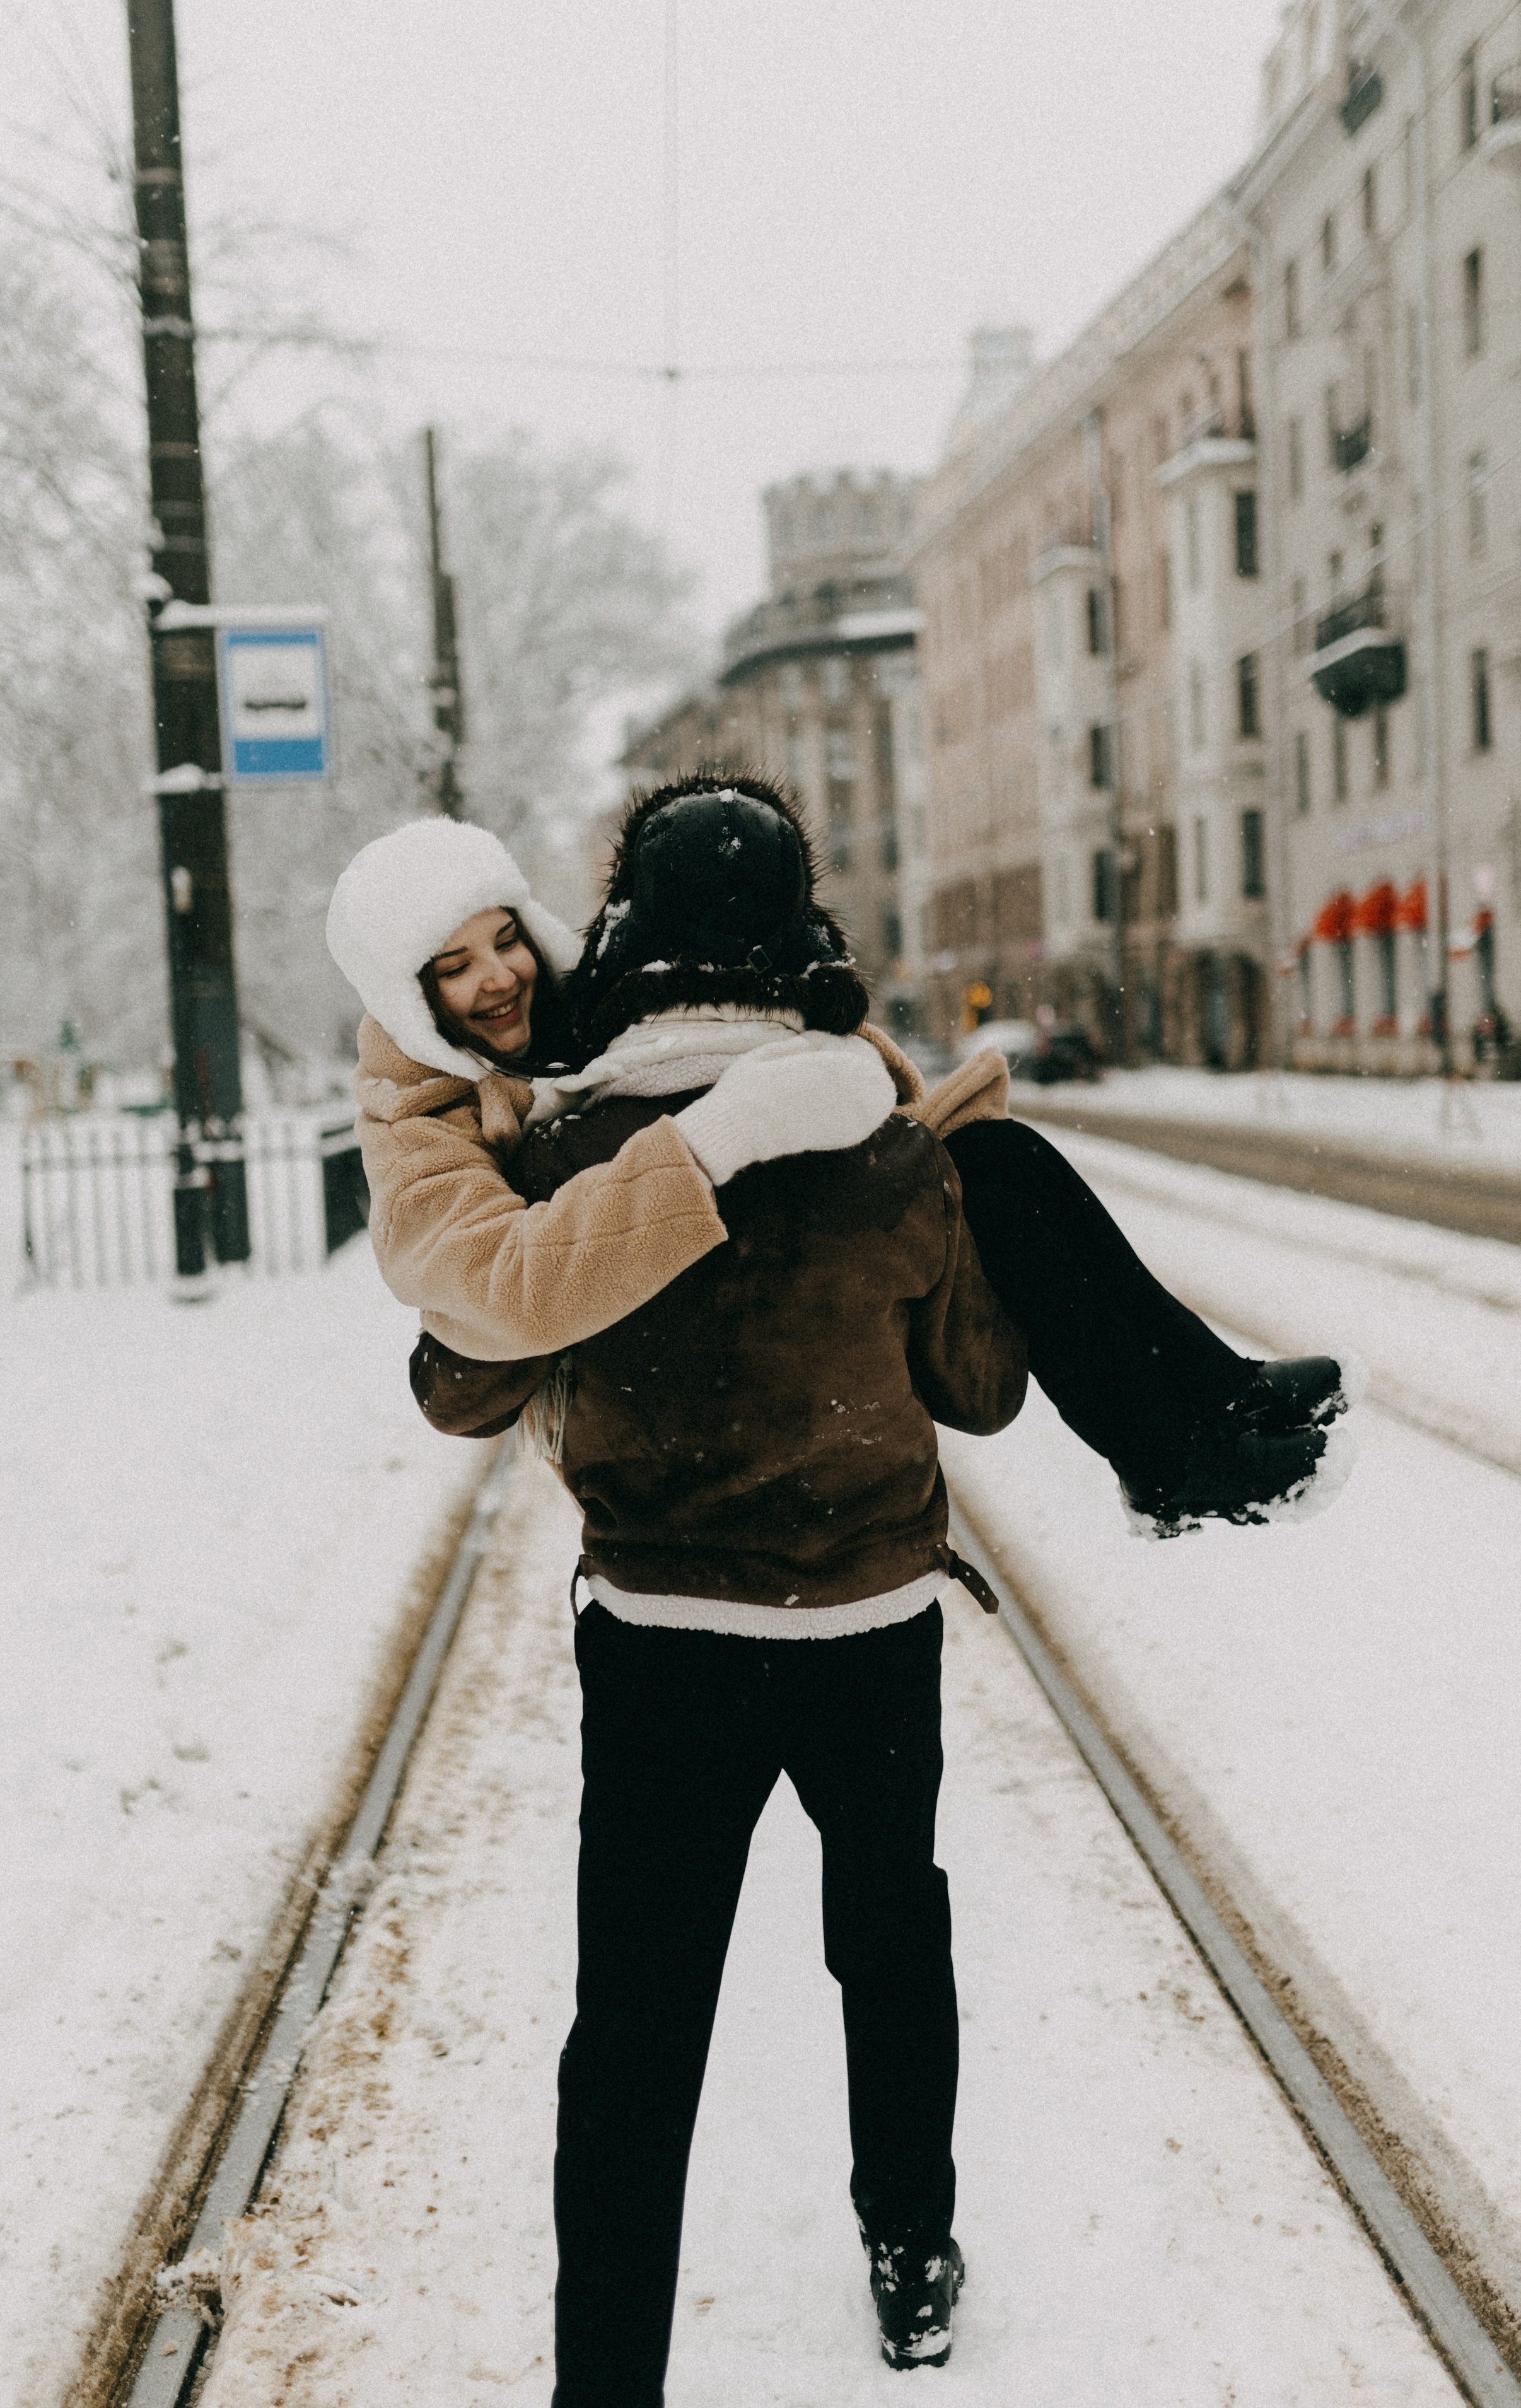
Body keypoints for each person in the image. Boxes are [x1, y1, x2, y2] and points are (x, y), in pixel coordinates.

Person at [399, 784, 1029, 2396]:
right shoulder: (885, 1152)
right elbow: (977, 1390)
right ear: (797, 937)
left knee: (634, 2023)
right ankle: (910, 2247)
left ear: (623, 939)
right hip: (869, 1634)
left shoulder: (572, 1152)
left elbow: (459, 1386)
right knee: (889, 1941)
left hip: (664, 1648)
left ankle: (604, 2374)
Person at [327, 791, 1351, 1538]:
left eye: (505, 940)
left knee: (1004, 1163)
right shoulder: (411, 1102)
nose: (500, 979)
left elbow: (755, 1023)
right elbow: (501, 1285)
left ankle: (1202, 1406)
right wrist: (715, 1136)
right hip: (600, 1343)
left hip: (685, 1252)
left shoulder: (590, 992)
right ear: (409, 998)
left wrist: (913, 1116)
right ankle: (1176, 1454)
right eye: (454, 969)